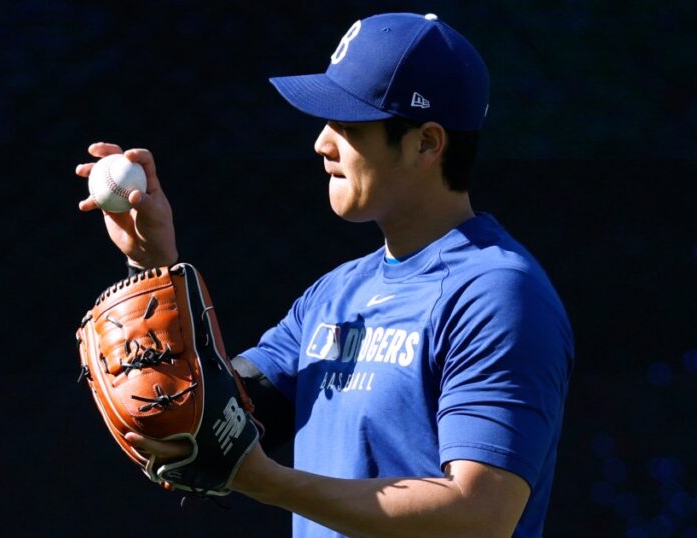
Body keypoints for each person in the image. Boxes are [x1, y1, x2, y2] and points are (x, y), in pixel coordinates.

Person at [74, 12, 572, 538]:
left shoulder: (497, 294)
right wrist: (154, 263)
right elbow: (210, 422)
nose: (322, 143)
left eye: (349, 125)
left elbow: (479, 515)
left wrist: (261, 480)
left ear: (427, 142)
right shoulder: (333, 296)